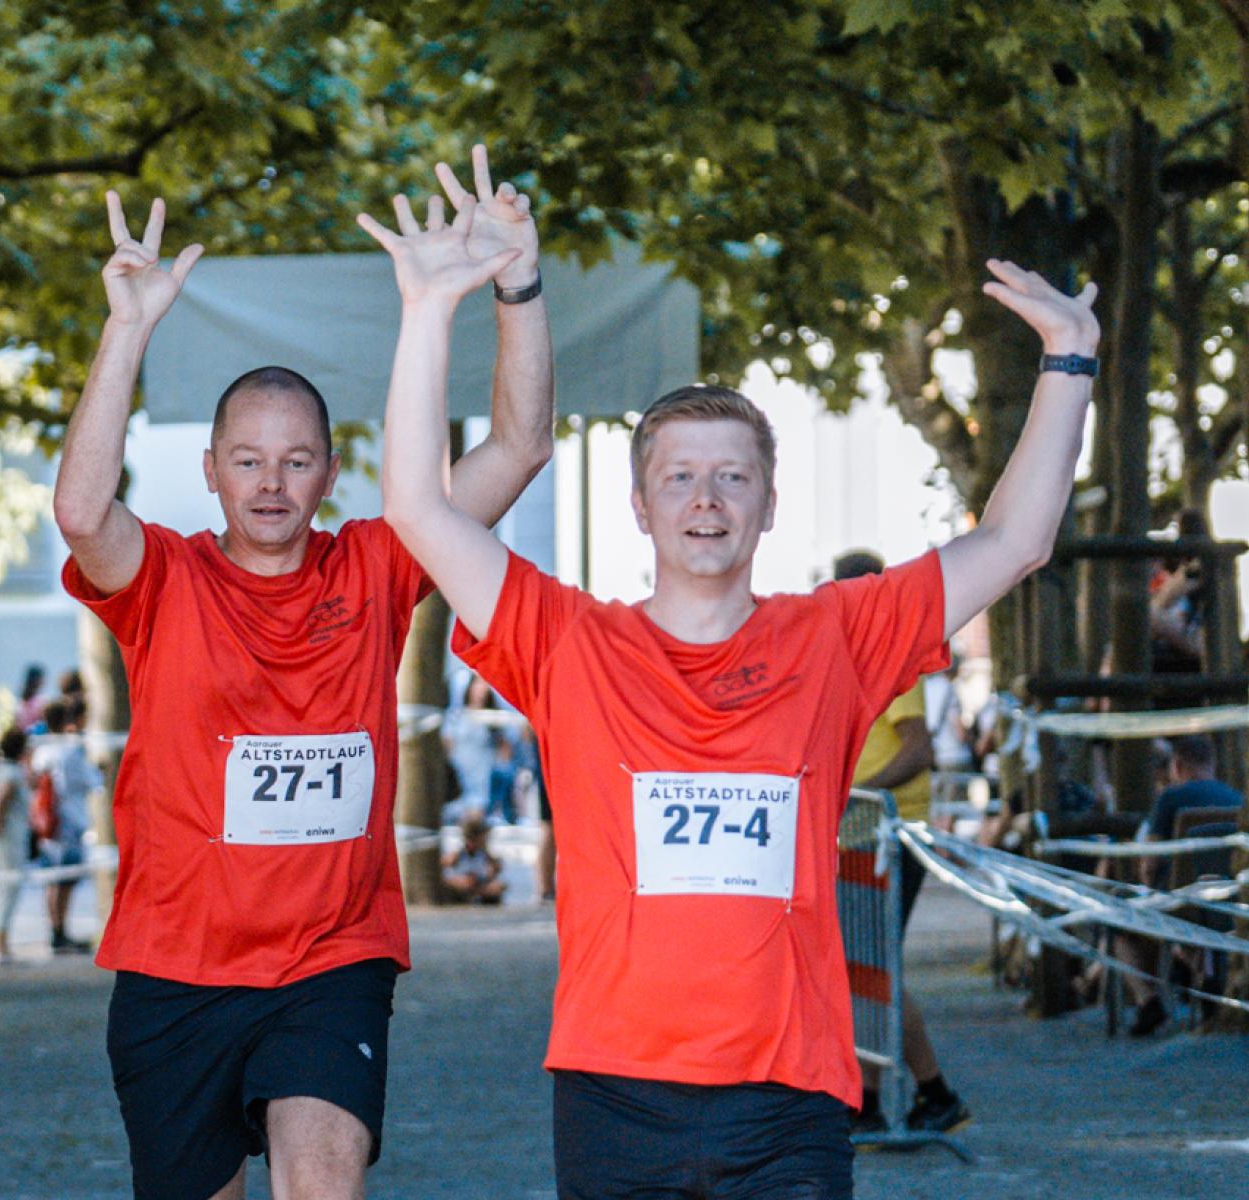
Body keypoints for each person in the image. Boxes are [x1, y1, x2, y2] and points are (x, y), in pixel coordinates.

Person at [365, 144, 1099, 1195]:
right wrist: (433, 305)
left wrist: (1070, 362)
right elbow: (419, 512)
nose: (705, 499)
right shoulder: (567, 640)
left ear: (767, 504)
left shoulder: (839, 635)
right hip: (613, 1090)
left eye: (731, 478)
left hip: (790, 1092)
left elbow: (1015, 542)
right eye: (680, 478)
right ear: (641, 506)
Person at [56, 154, 557, 1200]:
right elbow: (80, 514)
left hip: (332, 956)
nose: (271, 483)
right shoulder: (165, 579)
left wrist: (517, 288)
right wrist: (127, 330)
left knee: (322, 1182)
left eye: (295, 461)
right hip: (174, 964)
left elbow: (518, 446)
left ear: (332, 471)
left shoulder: (378, 563)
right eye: (247, 459)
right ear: (210, 470)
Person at [831, 550, 969, 1135]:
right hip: (859, 833)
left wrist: (857, 788)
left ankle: (931, 1092)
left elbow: (918, 751)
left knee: (873, 965)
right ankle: (874, 1095)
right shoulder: (853, 658)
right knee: (860, 965)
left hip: (886, 834)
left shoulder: (895, 661)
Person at [1124, 734, 1242, 1035]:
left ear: (1177, 765)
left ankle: (1148, 999)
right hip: (1230, 903)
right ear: (1213, 763)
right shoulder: (1236, 798)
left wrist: (1148, 888)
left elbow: (1149, 862)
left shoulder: (1170, 799)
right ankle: (1205, 972)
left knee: (1123, 931)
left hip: (1181, 904)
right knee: (1191, 929)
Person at [30, 699, 105, 953]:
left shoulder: (41, 751)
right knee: (67, 881)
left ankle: (56, 928)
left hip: (48, 823)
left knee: (53, 879)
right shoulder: (71, 750)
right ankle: (61, 929)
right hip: (69, 820)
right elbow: (91, 781)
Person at [0, 725, 36, 963]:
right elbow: (0, 802)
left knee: (7, 890)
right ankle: (0, 943)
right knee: (8, 889)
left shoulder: (6, 769)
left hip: (11, 837)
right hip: (8, 839)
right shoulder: (11, 773)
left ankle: (1, 941)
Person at [437, 817, 506, 905]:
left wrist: (493, 870)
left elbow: (496, 870)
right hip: (462, 886)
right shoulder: (457, 855)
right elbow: (443, 875)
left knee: (497, 887)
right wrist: (458, 881)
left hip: (480, 886)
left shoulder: (484, 854)